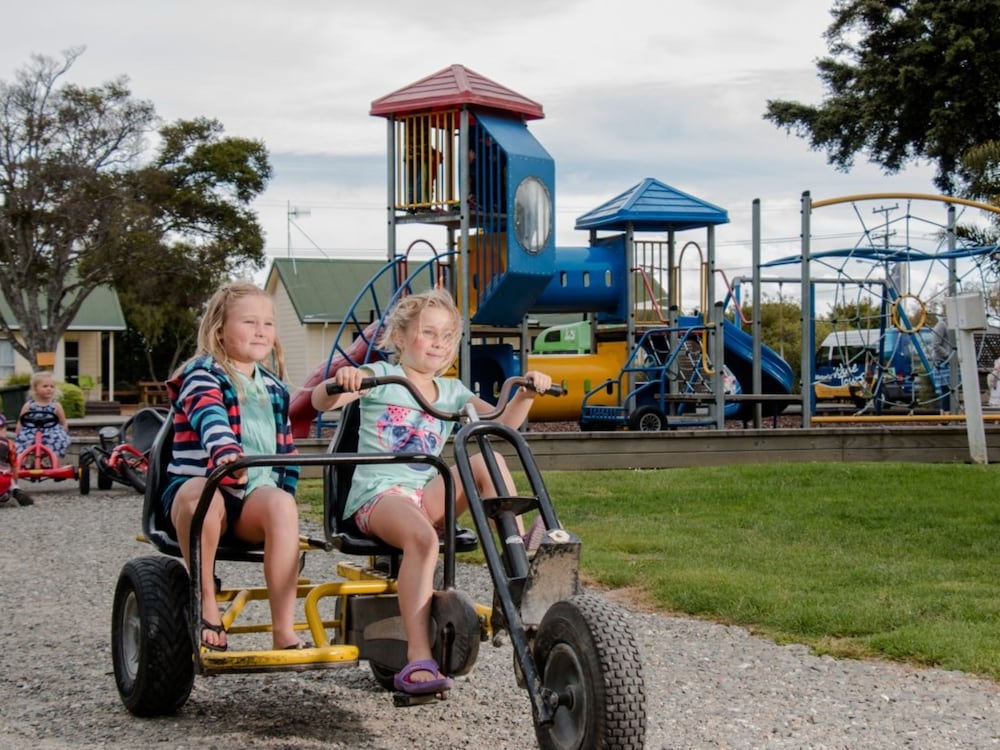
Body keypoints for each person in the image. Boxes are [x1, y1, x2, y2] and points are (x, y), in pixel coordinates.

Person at [311, 288, 553, 695]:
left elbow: (499, 424)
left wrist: (525, 393)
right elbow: (321, 402)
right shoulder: (380, 377)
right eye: (428, 333)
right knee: (423, 540)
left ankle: (520, 558)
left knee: (482, 461)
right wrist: (342, 382)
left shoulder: (454, 392)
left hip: (424, 494)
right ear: (402, 338)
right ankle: (418, 657)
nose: (439, 343)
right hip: (379, 497)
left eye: (446, 336)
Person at [163, 281, 303, 652]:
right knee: (201, 497)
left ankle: (283, 629)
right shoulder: (203, 374)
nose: (261, 331)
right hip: (206, 488)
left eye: (268, 324)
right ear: (219, 330)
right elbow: (209, 414)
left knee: (281, 504)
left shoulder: (274, 388)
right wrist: (225, 452)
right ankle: (206, 597)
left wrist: (286, 501)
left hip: (251, 498)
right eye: (249, 322)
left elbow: (284, 451)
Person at [15, 371, 71, 459]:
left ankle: (53, 461)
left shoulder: (55, 405)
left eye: (52, 386)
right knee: (22, 440)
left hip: (51, 430)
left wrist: (64, 432)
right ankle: (22, 463)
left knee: (59, 439)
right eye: (45, 386)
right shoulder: (29, 405)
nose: (49, 389)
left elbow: (63, 422)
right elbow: (21, 421)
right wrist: (17, 434)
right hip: (32, 430)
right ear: (35, 389)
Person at [0, 414, 34, 506]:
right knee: (7, 474)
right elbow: (14, 468)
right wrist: (15, 483)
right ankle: (15, 490)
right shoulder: (9, 444)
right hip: (2, 481)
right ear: (5, 427)